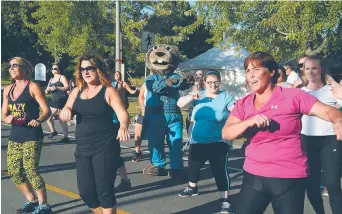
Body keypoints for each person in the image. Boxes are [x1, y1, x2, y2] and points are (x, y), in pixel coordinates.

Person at [221, 51, 342, 214]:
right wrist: (248, 122)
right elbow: (227, 133)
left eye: (256, 69)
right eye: (248, 71)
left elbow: (329, 111)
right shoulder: (243, 104)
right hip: (254, 175)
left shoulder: (293, 96)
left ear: (271, 72)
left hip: (288, 177)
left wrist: (337, 119)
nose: (251, 75)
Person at [59, 55, 130, 214]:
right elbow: (66, 108)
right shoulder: (77, 91)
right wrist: (66, 110)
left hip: (105, 146)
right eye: (82, 69)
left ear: (98, 70)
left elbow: (122, 113)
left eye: (90, 68)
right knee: (86, 192)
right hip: (83, 147)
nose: (86, 72)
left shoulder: (109, 90)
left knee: (104, 191)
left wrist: (123, 126)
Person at [177, 70, 235, 214]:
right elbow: (180, 104)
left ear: (220, 82)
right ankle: (192, 187)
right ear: (205, 83)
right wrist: (191, 96)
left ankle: (225, 201)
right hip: (197, 141)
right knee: (193, 167)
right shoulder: (199, 95)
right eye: (209, 82)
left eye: (216, 82)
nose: (213, 85)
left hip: (219, 142)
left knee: (219, 171)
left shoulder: (226, 97)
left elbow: (235, 111)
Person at [2, 57, 52, 213]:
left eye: (15, 66)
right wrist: (7, 118)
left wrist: (38, 120)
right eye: (10, 66)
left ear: (25, 69)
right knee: (14, 170)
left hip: (32, 134)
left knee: (30, 169)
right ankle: (32, 200)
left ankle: (44, 205)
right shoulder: (7, 89)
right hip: (15, 135)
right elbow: (3, 114)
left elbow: (46, 110)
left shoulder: (33, 87)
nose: (11, 68)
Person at [300, 55, 342, 214]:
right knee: (311, 185)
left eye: (314, 68)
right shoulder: (299, 93)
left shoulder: (332, 91)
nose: (310, 72)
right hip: (307, 141)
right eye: (307, 68)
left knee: (333, 185)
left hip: (330, 141)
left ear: (322, 70)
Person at [45, 63, 69, 142]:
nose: (53, 70)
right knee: (48, 118)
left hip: (61, 98)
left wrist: (57, 87)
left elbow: (67, 87)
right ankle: (53, 131)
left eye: (55, 68)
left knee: (61, 119)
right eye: (52, 68)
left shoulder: (61, 77)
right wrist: (47, 90)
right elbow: (47, 90)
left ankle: (66, 137)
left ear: (59, 70)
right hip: (54, 99)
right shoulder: (51, 79)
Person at [132, 83, 147, 162]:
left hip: (157, 112)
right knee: (137, 134)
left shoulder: (162, 83)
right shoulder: (145, 84)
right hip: (144, 111)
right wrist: (143, 108)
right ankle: (137, 152)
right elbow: (141, 97)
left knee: (154, 136)